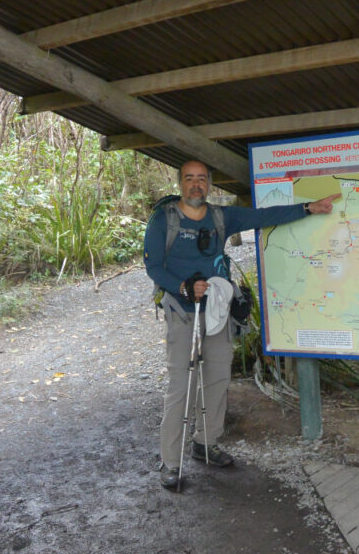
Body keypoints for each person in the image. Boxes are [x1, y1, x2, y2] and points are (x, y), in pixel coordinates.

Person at [143, 159, 339, 490]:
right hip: (182, 312)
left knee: (218, 378)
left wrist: (307, 208)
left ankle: (205, 442)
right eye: (189, 179)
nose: (196, 185)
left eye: (202, 179)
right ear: (180, 183)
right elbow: (153, 266)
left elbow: (263, 216)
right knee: (181, 387)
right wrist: (183, 287)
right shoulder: (164, 220)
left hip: (218, 311)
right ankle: (170, 461)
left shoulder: (222, 216)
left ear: (209, 183)